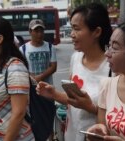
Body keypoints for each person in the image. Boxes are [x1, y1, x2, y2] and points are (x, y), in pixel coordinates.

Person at [36, 2, 113, 141]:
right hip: (71, 135)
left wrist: (91, 108)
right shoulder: (76, 58)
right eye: (71, 28)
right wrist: (53, 94)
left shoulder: (112, 66)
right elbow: (73, 100)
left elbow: (122, 115)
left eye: (77, 29)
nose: (72, 34)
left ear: (96, 32)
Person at [19, 19, 57, 140]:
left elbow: (53, 66)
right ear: (30, 32)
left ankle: (50, 137)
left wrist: (39, 77)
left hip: (48, 90)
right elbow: (22, 68)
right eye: (36, 31)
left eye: (41, 30)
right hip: (32, 93)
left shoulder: (50, 47)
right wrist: (31, 77)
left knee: (49, 117)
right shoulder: (23, 49)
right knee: (35, 119)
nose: (39, 33)